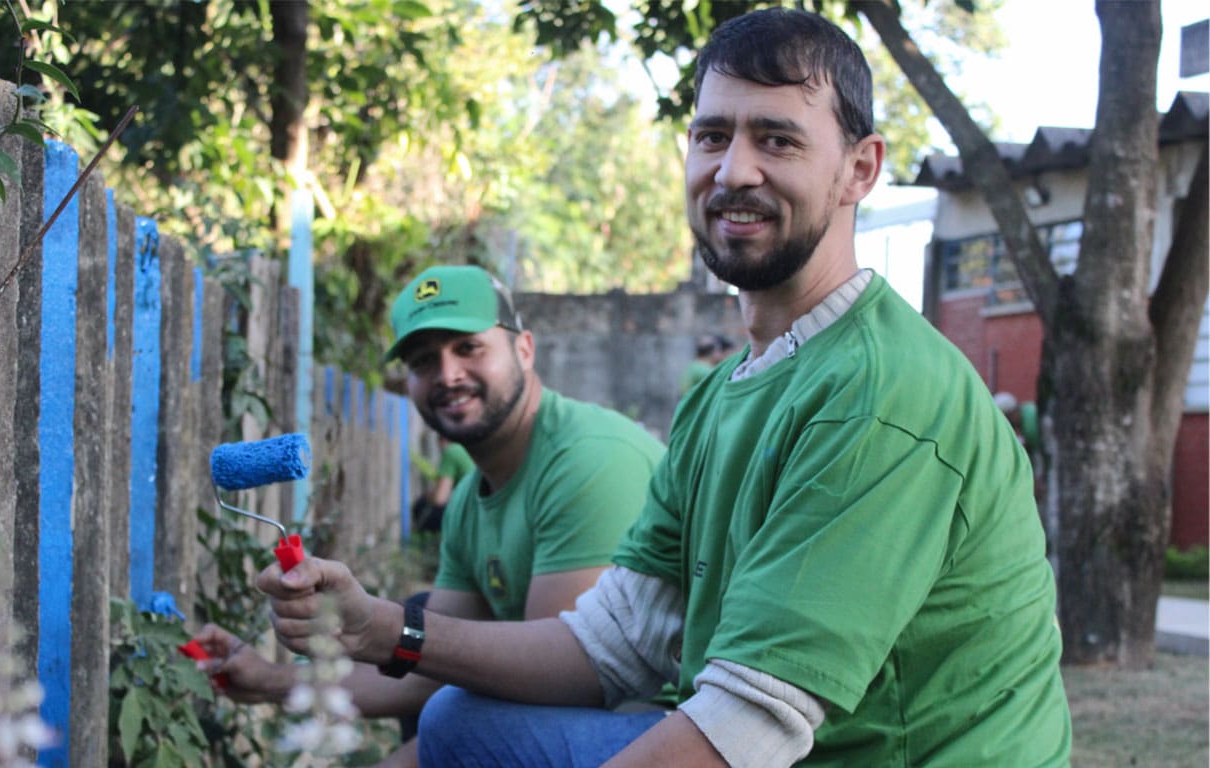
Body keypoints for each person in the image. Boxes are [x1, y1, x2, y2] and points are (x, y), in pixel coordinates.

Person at [259, 9, 1072, 766]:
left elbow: (743, 728)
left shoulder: (884, 394)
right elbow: (618, 642)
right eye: (712, 135)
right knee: (453, 722)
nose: (734, 170)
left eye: (778, 140)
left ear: (860, 169)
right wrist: (380, 629)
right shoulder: (721, 395)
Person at [192, 265, 666, 766]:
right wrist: (271, 680)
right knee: (432, 636)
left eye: (468, 348)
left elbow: (567, 681)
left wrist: (383, 627)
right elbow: (429, 669)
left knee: (458, 715)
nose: (447, 375)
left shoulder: (588, 462)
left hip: (669, 723)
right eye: (423, 361)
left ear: (524, 349)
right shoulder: (468, 499)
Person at [411, 437, 474, 534]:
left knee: (420, 506)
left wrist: (428, 497)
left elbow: (440, 498)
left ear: (442, 439)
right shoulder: (467, 448)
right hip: (480, 508)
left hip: (470, 514)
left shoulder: (451, 452)